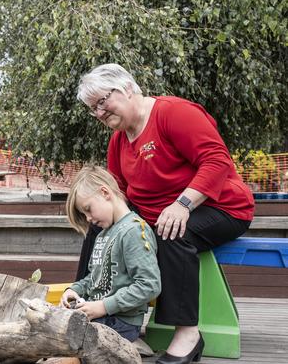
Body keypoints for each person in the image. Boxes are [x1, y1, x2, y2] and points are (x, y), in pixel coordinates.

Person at [75, 64, 254, 364]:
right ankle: (86, 311)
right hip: (160, 214)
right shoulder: (118, 141)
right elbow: (118, 193)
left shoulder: (173, 113)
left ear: (127, 88)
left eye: (103, 102)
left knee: (170, 230)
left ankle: (188, 334)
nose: (100, 113)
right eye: (93, 109)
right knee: (99, 228)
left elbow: (216, 161)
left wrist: (183, 204)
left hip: (220, 207)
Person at [60, 165, 161, 342]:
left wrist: (104, 306)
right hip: (99, 315)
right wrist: (73, 290)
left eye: (88, 209)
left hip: (120, 322)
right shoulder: (103, 234)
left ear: (105, 193)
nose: (88, 218)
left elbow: (149, 285)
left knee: (63, 338)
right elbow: (94, 279)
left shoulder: (133, 231)